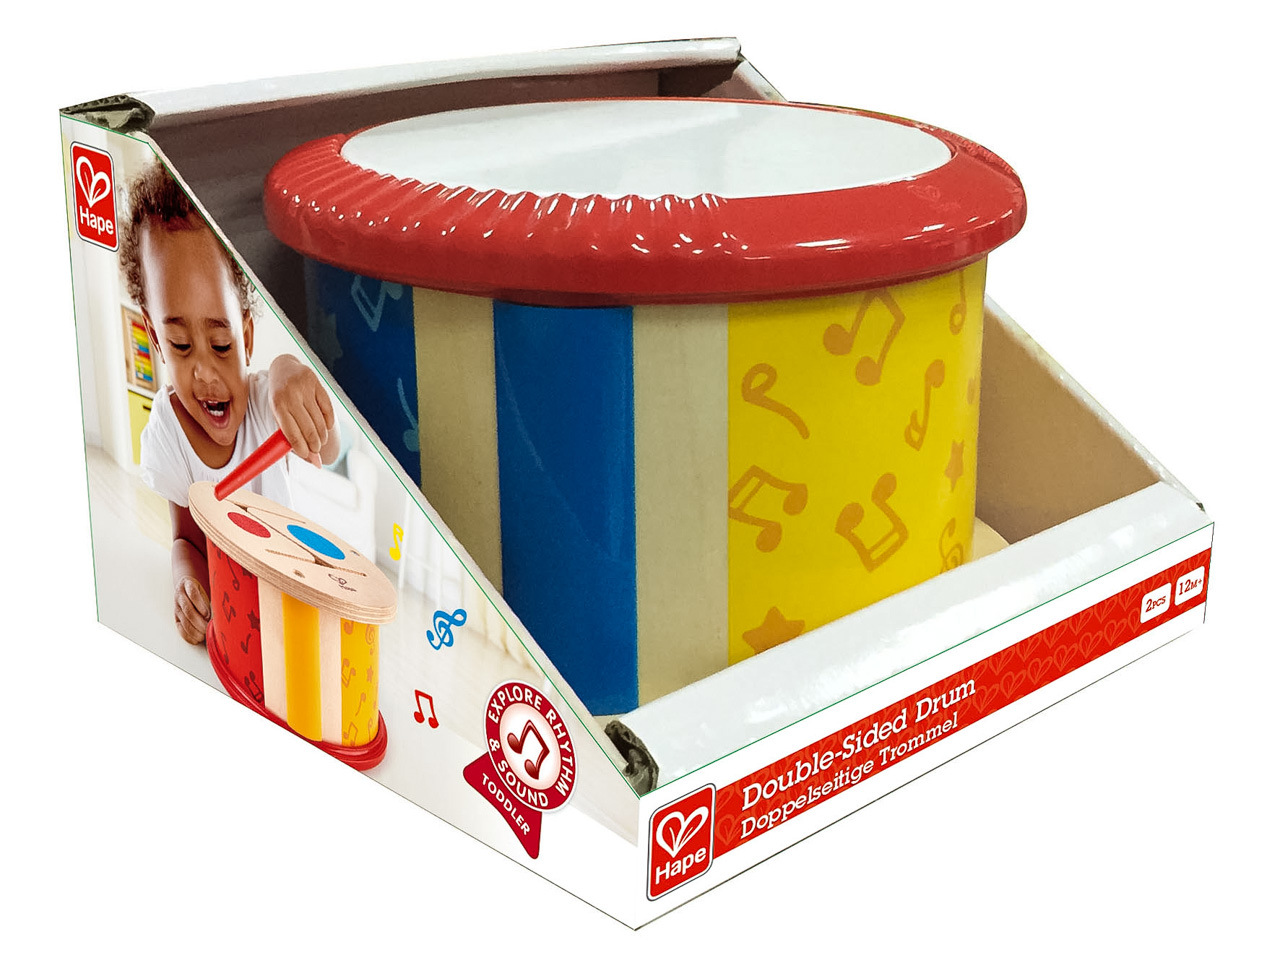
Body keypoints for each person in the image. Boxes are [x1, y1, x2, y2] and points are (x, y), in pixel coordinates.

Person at [122, 162, 339, 645]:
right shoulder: (167, 432)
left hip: (290, 602)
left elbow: (329, 447)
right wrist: (186, 584)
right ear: (155, 338)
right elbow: (184, 539)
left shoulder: (268, 404)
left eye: (221, 345)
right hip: (233, 627)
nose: (204, 373)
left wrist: (288, 370)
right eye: (180, 345)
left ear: (246, 335)